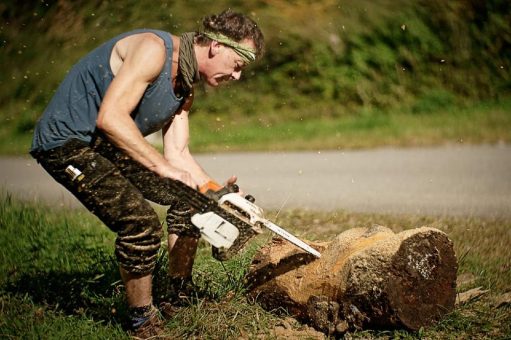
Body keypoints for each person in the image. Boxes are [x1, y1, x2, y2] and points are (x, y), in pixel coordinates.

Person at [29, 9, 264, 338]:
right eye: (238, 66)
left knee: (190, 200)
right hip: (67, 143)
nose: (237, 77)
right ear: (216, 47)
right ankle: (142, 320)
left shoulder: (185, 88)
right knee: (139, 224)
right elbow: (110, 117)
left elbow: (178, 154)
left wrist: (216, 194)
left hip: (106, 146)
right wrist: (161, 168)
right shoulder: (153, 50)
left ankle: (178, 296)